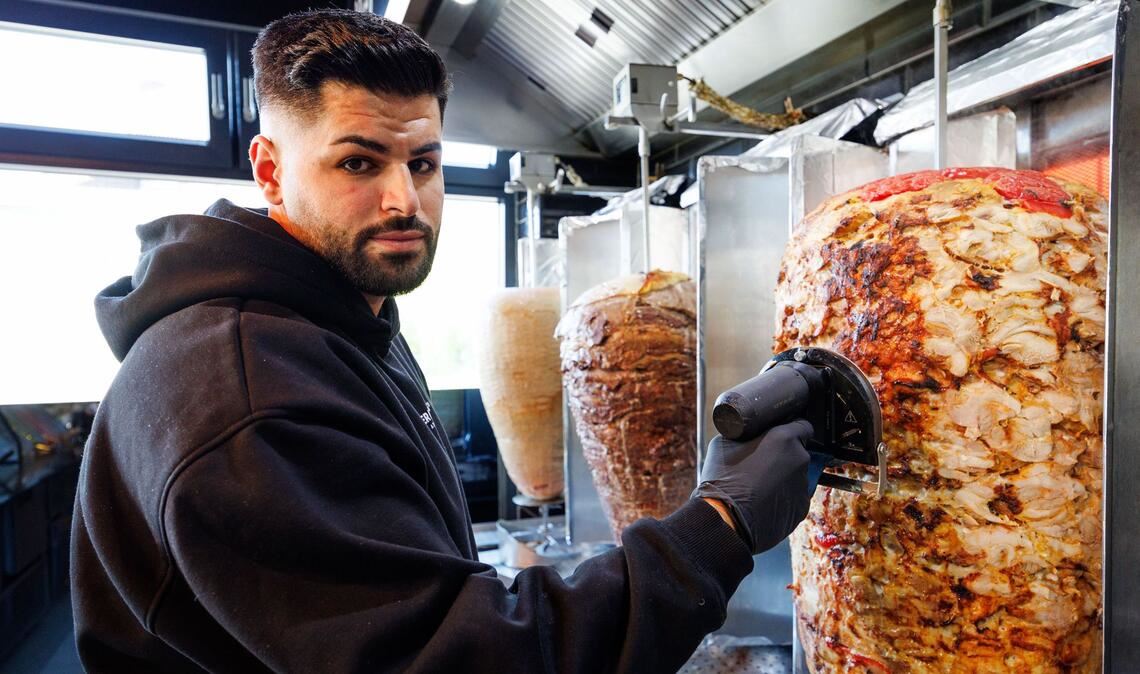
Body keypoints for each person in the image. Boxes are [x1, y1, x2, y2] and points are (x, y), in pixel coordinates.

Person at [71, 9, 814, 673]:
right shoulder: (248, 395)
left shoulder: (337, 318)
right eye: (358, 162)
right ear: (270, 171)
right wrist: (719, 524)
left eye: (423, 164)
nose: (404, 200)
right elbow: (460, 657)